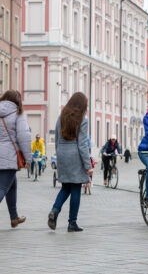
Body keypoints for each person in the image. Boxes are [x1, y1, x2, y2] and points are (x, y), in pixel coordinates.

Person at [48, 92, 92, 232]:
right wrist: (88, 165)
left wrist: (59, 154)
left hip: (62, 153)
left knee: (65, 187)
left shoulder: (61, 117)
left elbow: (56, 139)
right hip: (75, 155)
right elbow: (82, 145)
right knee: (75, 188)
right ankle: (72, 223)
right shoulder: (82, 120)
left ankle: (54, 211)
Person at [0, 90, 32, 228]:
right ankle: (14, 217)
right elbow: (24, 137)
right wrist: (28, 158)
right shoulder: (17, 113)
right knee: (2, 188)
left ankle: (14, 217)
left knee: (12, 185)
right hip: (9, 157)